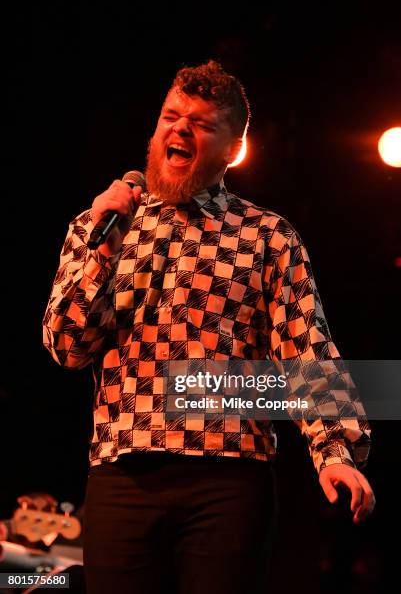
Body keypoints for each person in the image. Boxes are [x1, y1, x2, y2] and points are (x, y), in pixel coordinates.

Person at [42, 60, 375, 594]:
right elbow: (67, 348)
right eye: (170, 117)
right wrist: (105, 249)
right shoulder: (98, 224)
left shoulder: (268, 237)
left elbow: (306, 350)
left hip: (228, 481)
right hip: (122, 475)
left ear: (232, 148)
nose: (179, 129)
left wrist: (335, 452)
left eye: (200, 124)